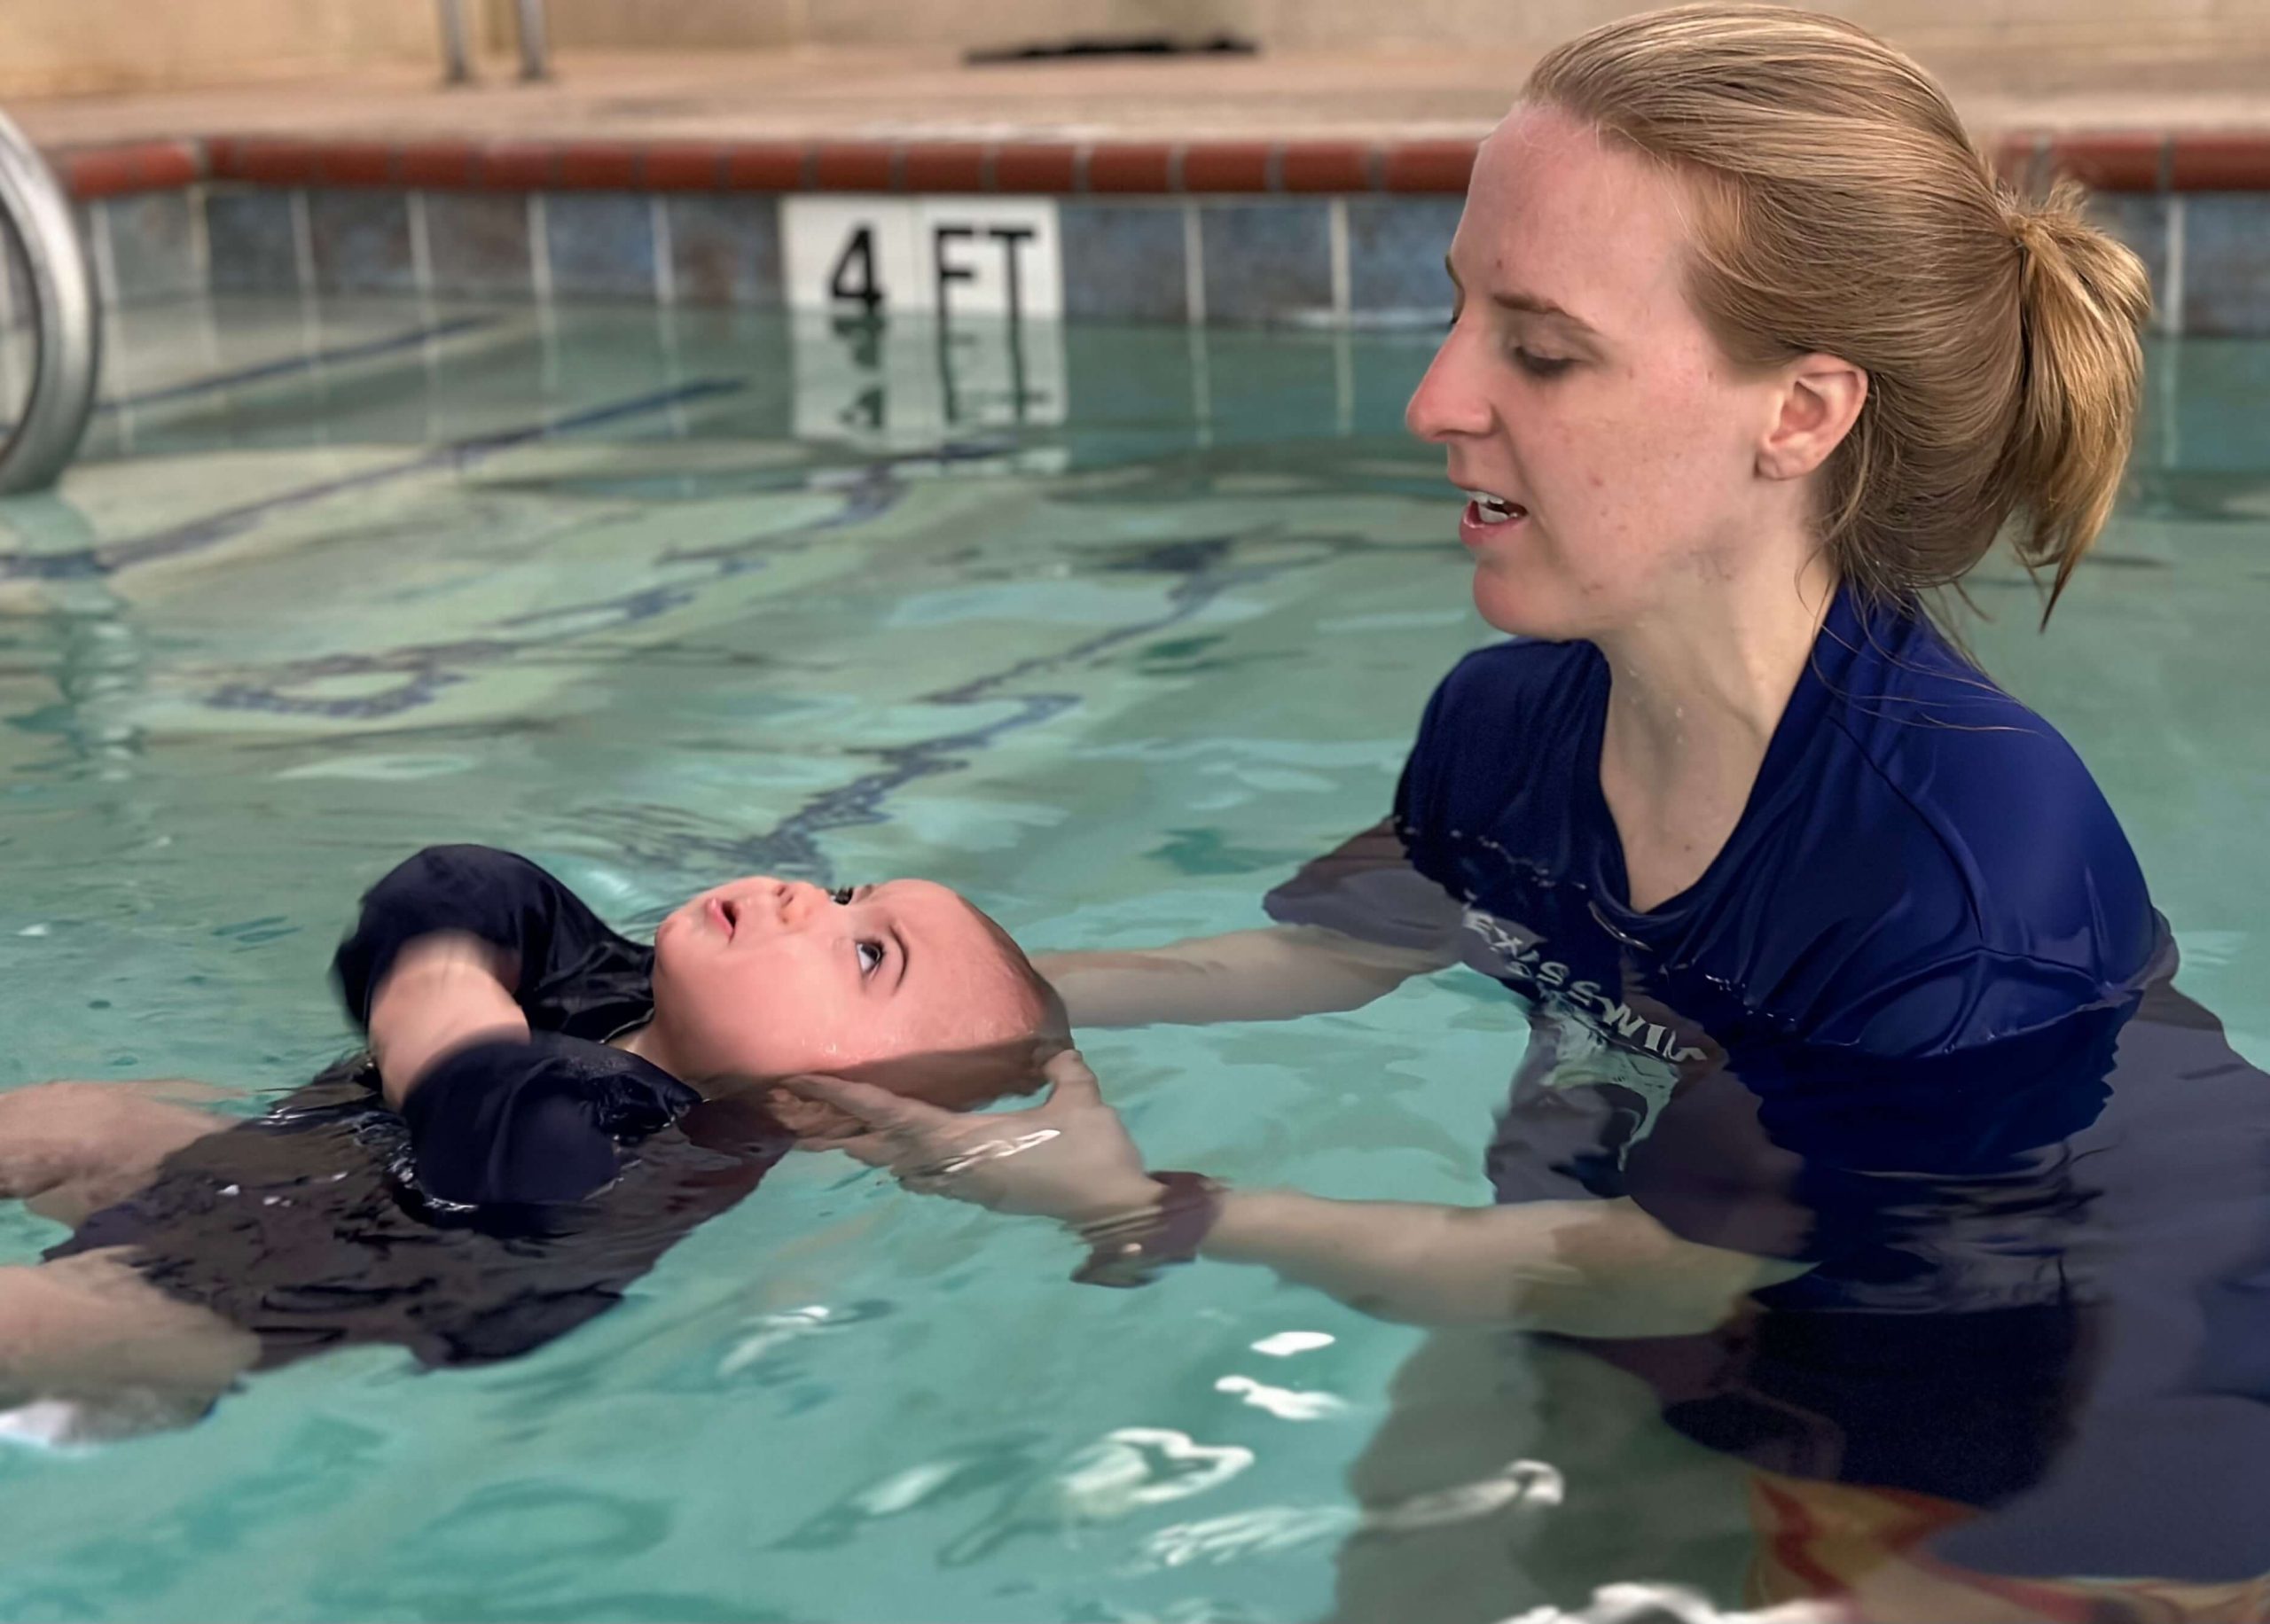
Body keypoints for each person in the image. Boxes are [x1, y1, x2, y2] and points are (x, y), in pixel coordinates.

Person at [783, 6, 2270, 1619]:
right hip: (1685, 1295)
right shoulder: (1510, 718)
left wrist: (1155, 1210)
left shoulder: (1956, 873)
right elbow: (1341, 953)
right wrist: (944, 1004)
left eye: (1543, 349)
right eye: (1458, 312)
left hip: (2089, 1413)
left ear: (1801, 413)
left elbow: (1672, 1265)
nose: (1435, 398)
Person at [0, 843, 1068, 1437]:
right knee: (67, 1115)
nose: (805, 898)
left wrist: (436, 988)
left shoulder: (656, 1143)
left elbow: (492, 1110)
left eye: (868, 952)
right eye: (847, 894)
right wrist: (442, 962)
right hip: (250, 1173)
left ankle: (107, 1375)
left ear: (818, 1108)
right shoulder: (616, 984)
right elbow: (466, 882)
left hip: (250, 1307)